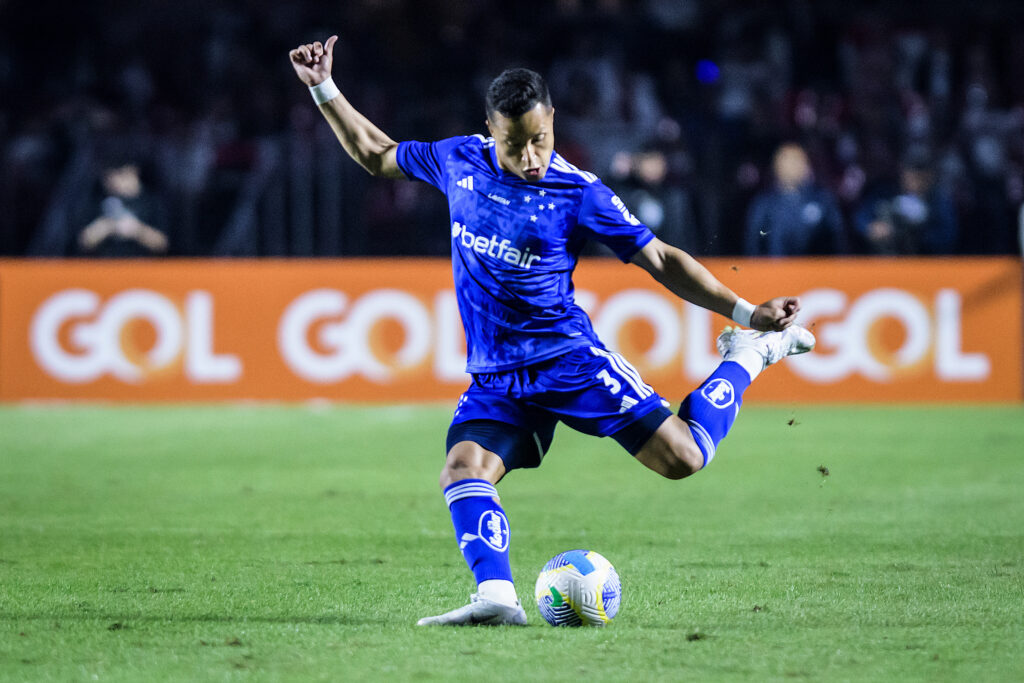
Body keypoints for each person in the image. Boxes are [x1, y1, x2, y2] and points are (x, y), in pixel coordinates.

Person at [290, 36, 815, 626]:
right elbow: (377, 153)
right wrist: (324, 88)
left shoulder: (578, 191)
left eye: (541, 139)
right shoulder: (458, 160)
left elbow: (662, 259)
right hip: (495, 374)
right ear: (489, 130)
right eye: (516, 145)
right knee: (464, 469)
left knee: (683, 458)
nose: (532, 156)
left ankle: (750, 355)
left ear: (553, 122)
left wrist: (746, 313)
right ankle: (497, 598)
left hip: (568, 361)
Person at [744, 143, 846, 256]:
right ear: (776, 166)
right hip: (775, 270)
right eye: (788, 161)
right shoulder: (764, 203)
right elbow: (753, 245)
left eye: (798, 160)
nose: (794, 166)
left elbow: (838, 241)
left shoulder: (823, 200)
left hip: (815, 270)